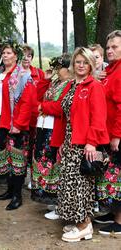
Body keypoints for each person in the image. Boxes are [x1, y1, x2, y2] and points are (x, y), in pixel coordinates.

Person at [56, 47, 109, 242]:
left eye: (85, 62)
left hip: (85, 143)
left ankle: (84, 225)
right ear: (73, 64)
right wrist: (63, 141)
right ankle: (79, 220)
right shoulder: (71, 85)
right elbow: (66, 116)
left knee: (81, 185)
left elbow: (99, 117)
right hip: (70, 141)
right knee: (70, 182)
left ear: (91, 65)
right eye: (78, 61)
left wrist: (91, 143)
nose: (81, 65)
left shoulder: (94, 86)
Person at [0, 42, 37, 210]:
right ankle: (8, 190)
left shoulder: (22, 75)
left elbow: (27, 102)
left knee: (17, 160)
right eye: (3, 52)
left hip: (14, 122)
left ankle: (17, 195)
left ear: (16, 55)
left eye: (8, 52)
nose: (5, 55)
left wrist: (19, 124)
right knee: (4, 156)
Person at [31, 54, 72, 218]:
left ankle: (60, 205)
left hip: (55, 130)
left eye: (58, 67)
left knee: (55, 164)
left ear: (67, 68)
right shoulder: (55, 82)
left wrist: (43, 107)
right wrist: (45, 80)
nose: (56, 70)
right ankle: (52, 198)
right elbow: (37, 96)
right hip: (43, 127)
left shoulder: (70, 85)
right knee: (44, 163)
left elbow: (61, 107)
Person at [95, 30, 121, 235]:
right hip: (107, 132)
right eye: (109, 47)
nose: (110, 50)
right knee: (111, 176)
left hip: (117, 133)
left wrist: (117, 135)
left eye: (115, 47)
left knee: (119, 176)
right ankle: (113, 213)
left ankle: (120, 221)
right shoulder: (110, 70)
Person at [21, 44, 45, 190]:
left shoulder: (39, 73)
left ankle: (32, 177)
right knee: (21, 149)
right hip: (20, 119)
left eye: (29, 56)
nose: (26, 59)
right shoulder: (15, 74)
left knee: (34, 149)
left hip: (36, 118)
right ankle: (19, 176)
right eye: (23, 56)